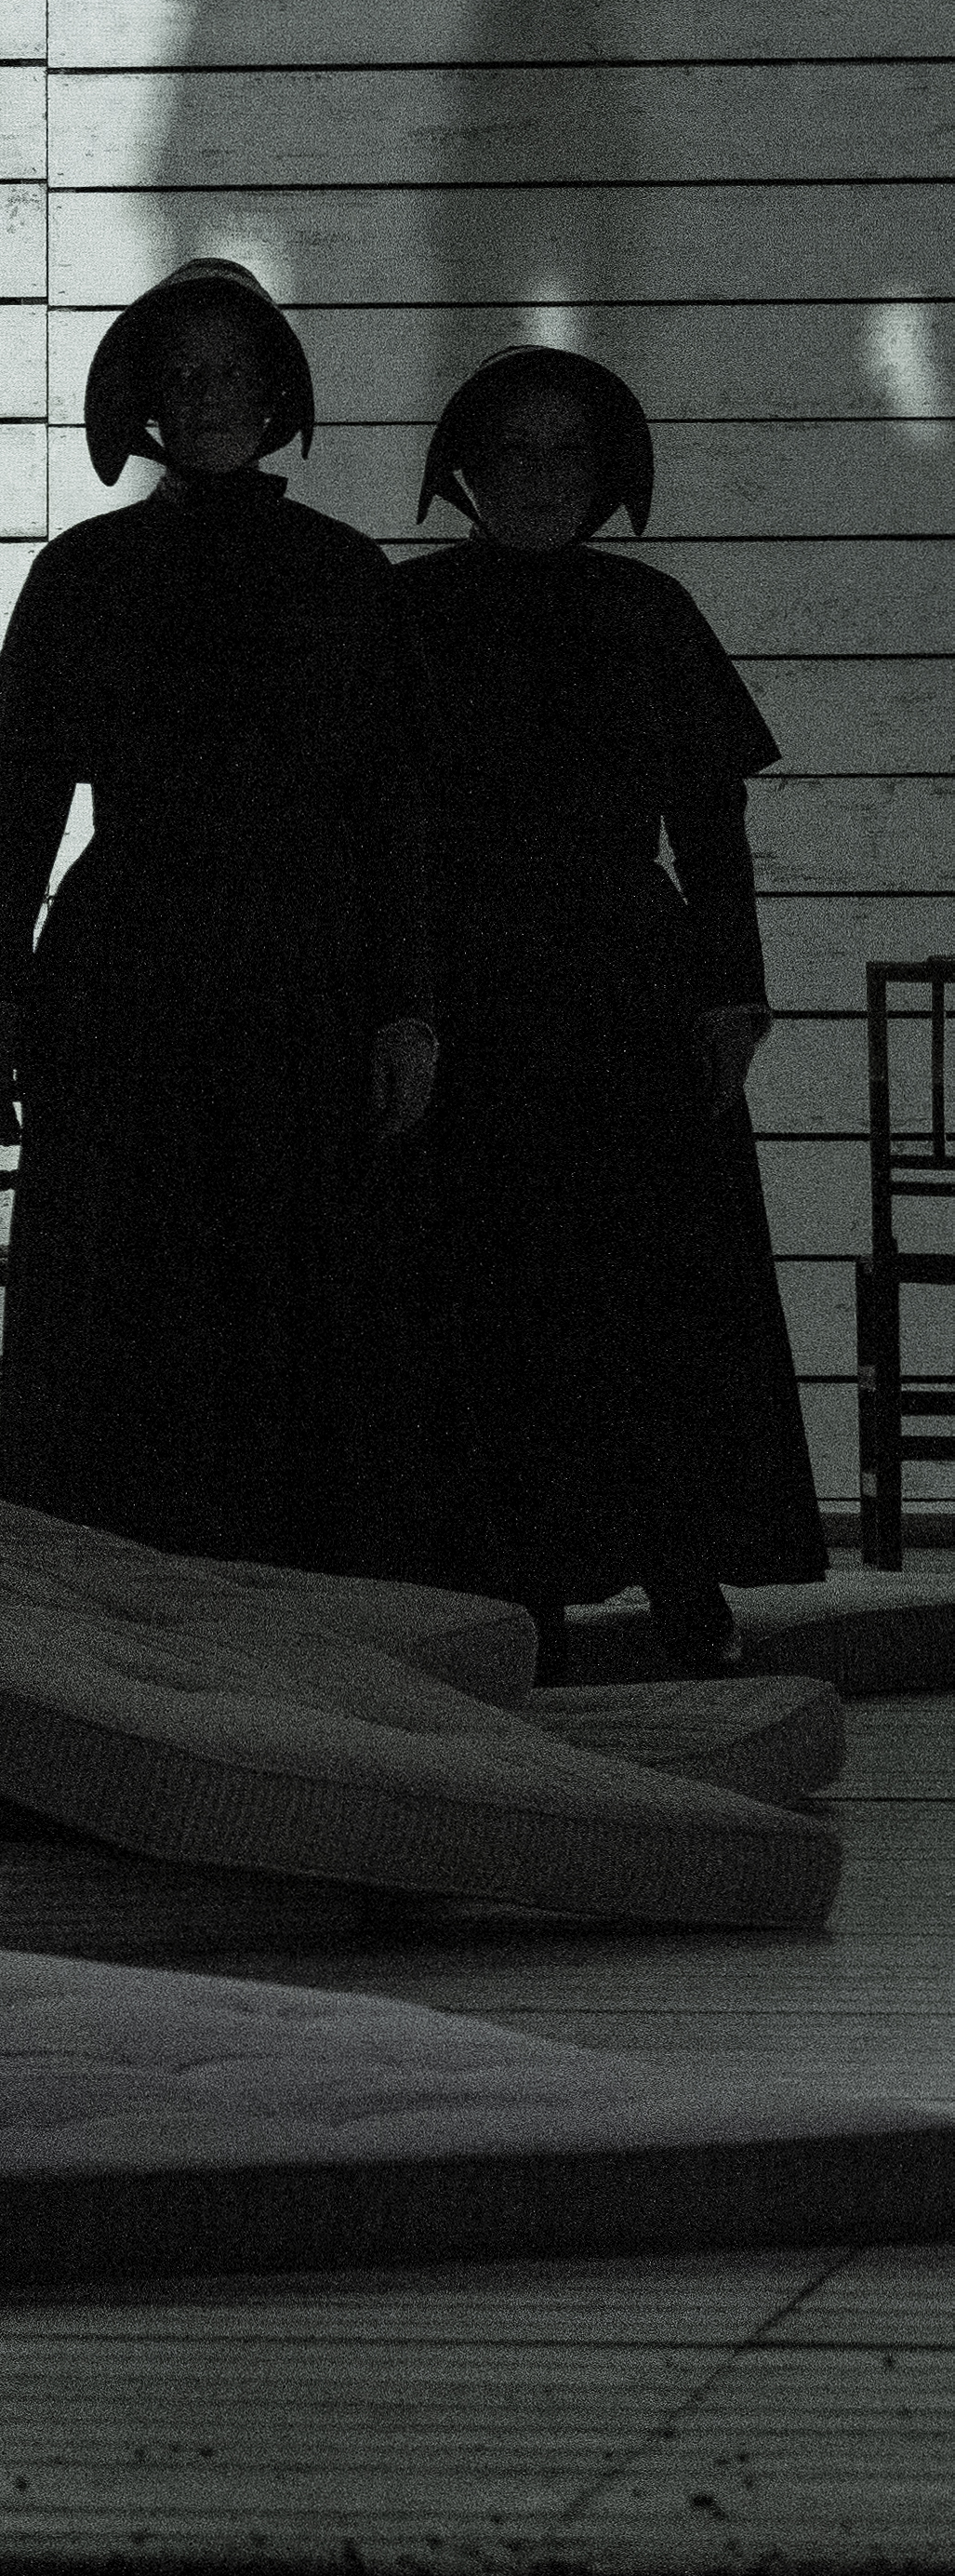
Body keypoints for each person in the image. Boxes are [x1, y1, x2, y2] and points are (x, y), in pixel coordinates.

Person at [0, 256, 431, 1571]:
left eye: (235, 372)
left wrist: (407, 1003)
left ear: (275, 390)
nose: (213, 395)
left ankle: (297, 1592)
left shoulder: (349, 577)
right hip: (130, 971)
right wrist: (0, 995)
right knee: (133, 1281)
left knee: (291, 1284)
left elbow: (392, 808)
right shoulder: (84, 573)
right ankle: (109, 1585)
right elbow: (29, 800)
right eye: (188, 375)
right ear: (151, 402)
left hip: (302, 971)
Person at [386, 344, 821, 1661]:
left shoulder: (652, 610)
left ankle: (683, 1577)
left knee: (655, 1300)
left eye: (565, 451)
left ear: (606, 470)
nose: (537, 478)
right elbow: (382, 822)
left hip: (628, 992)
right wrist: (400, 1003)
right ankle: (516, 1595)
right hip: (469, 994)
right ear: (467, 468)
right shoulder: (408, 614)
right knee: (491, 1300)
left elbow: (712, 816)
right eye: (511, 452)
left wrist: (732, 996)